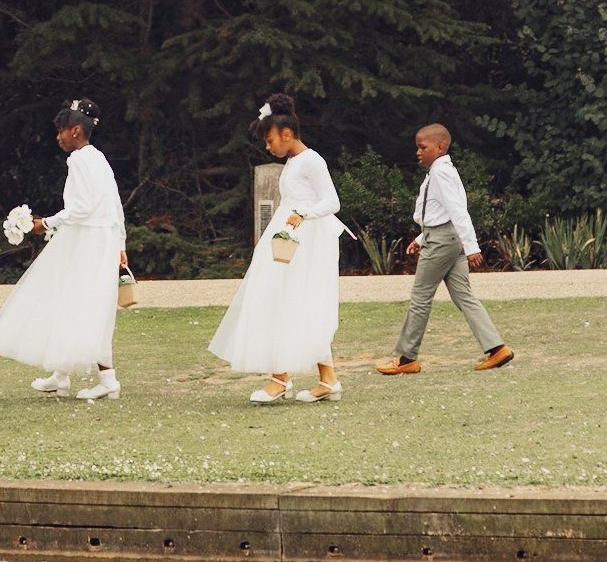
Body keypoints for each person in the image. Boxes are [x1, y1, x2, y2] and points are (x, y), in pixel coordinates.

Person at [0, 98, 127, 403]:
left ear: (75, 130)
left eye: (61, 130)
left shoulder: (78, 160)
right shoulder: (98, 158)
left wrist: (44, 223)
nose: (58, 137)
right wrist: (120, 243)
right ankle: (61, 375)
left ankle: (107, 379)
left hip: (85, 240)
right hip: (100, 238)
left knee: (78, 301)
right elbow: (115, 206)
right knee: (74, 300)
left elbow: (81, 208)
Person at [208, 93, 346, 403]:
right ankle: (327, 379)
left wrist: (304, 215)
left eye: (270, 140)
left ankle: (280, 379)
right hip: (290, 235)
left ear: (286, 134)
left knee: (287, 301)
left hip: (305, 239)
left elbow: (332, 201)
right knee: (285, 301)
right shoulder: (294, 162)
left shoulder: (311, 160)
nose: (268, 147)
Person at [376, 123, 514, 375]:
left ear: (440, 147)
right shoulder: (443, 171)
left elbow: (457, 210)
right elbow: (442, 212)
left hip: (443, 241)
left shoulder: (440, 173)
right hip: (447, 237)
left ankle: (407, 359)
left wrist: (472, 246)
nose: (418, 152)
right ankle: (497, 349)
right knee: (464, 296)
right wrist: (421, 237)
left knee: (420, 297)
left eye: (422, 147)